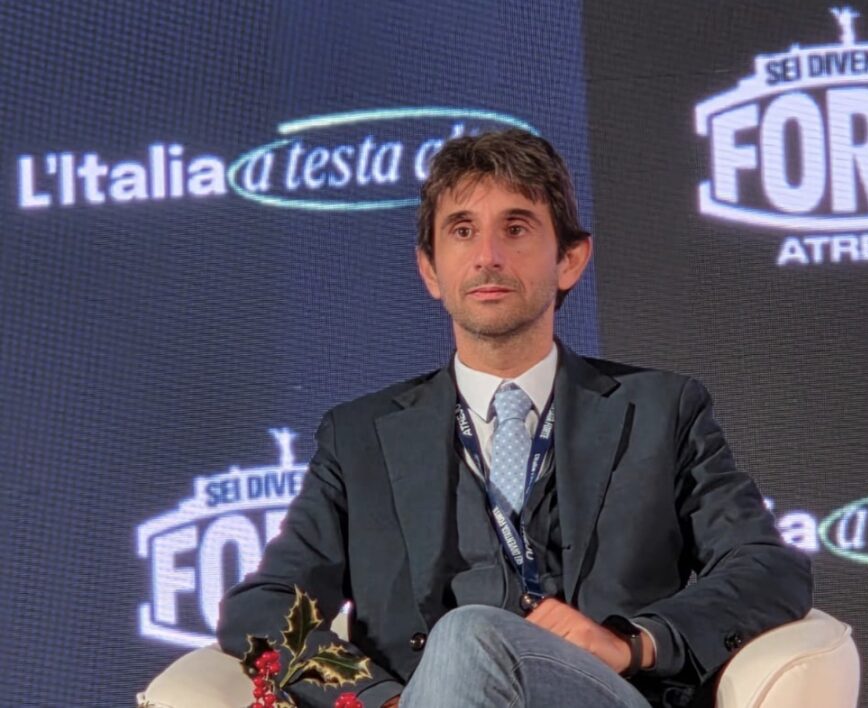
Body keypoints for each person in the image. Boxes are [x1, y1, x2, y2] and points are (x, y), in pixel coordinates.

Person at [217, 129, 812, 708]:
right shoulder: (359, 438)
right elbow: (262, 607)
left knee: (470, 633)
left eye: (517, 228)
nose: (488, 256)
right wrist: (377, 698)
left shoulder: (662, 411)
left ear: (570, 260)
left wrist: (633, 642)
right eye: (462, 231)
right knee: (463, 640)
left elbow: (767, 568)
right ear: (430, 270)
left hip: (605, 694)